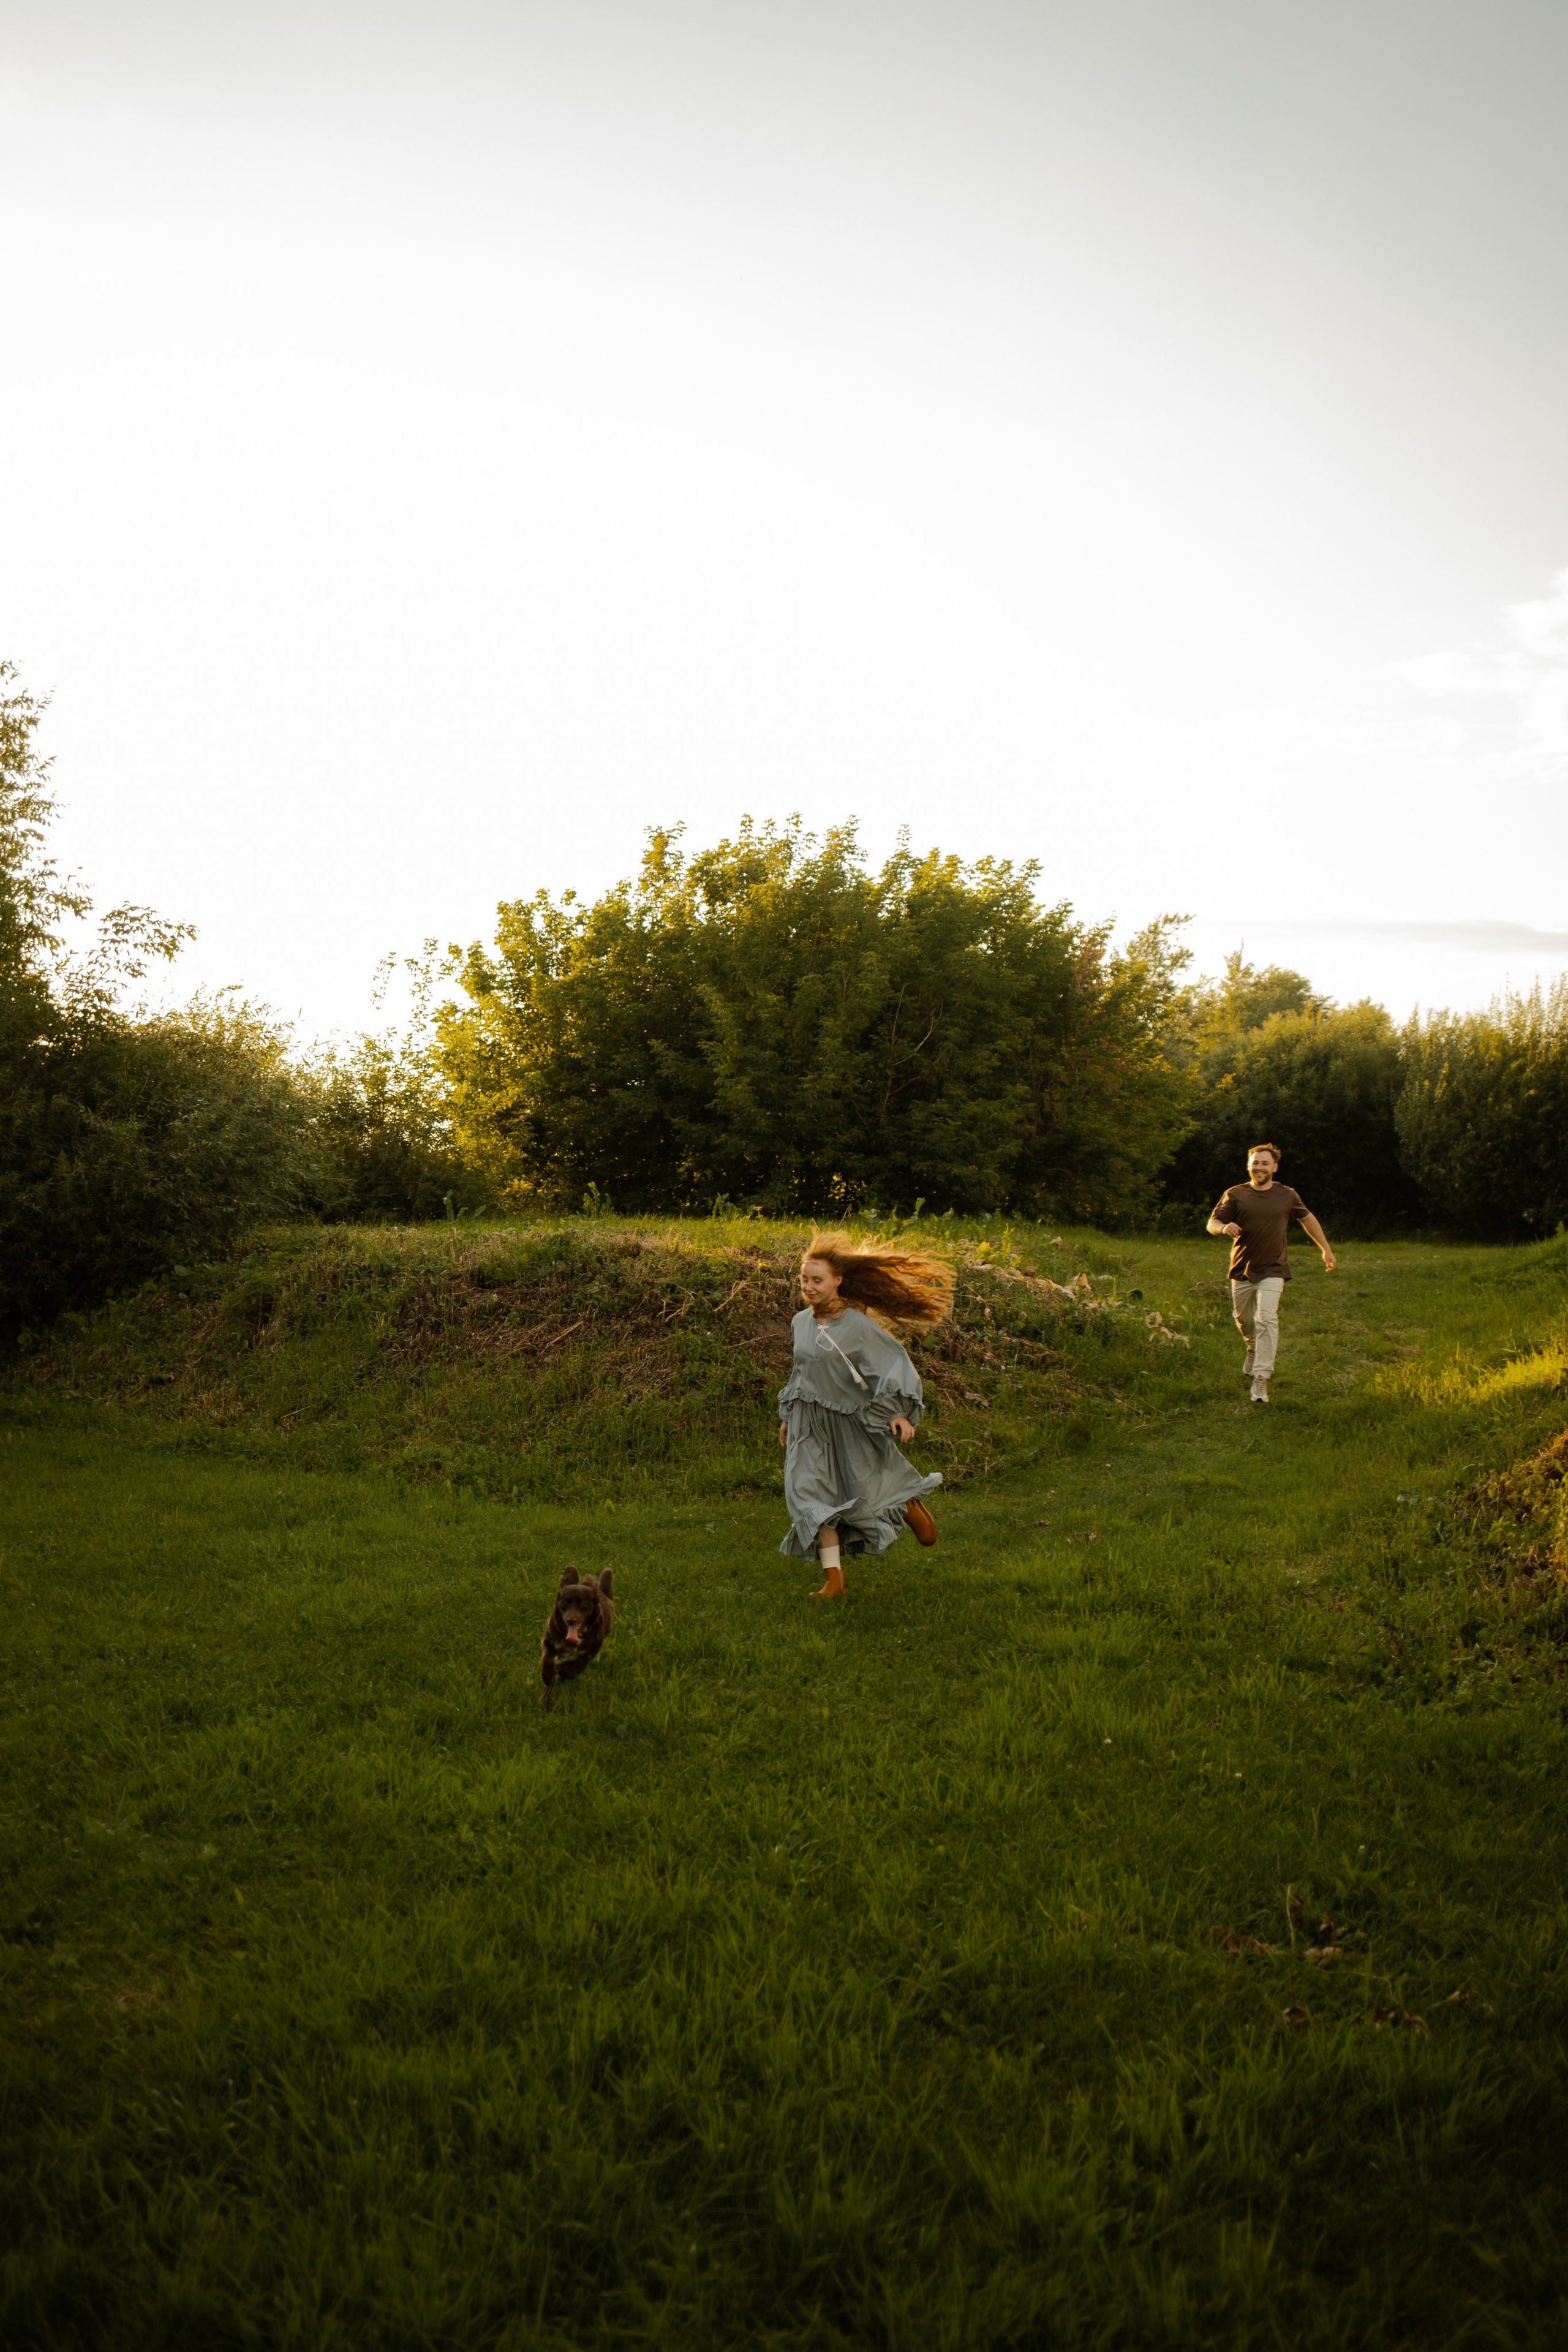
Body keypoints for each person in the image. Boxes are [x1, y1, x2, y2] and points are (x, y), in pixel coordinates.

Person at [777, 1230, 956, 1600]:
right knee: (809, 1497)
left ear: (838, 1281)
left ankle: (908, 1502)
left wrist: (898, 1414)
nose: (808, 1287)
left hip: (850, 1424)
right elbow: (801, 1374)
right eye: (804, 1279)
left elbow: (891, 1363)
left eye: (817, 1280)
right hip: (809, 1426)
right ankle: (834, 1582)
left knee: (870, 1482)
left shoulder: (856, 1326)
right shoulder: (800, 1323)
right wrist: (788, 1417)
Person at [1207, 1144, 1336, 1404]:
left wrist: (1327, 1250)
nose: (1260, 1168)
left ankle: (1261, 1378)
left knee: (1267, 1318)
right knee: (1243, 1318)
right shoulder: (1236, 1194)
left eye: (1265, 1163)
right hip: (1242, 1268)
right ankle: (1252, 1348)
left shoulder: (1287, 1195)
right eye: (1255, 1163)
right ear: (1249, 1165)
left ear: (1275, 1167)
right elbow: (1213, 1223)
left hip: (1274, 1268)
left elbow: (1308, 1219)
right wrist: (1223, 1228)